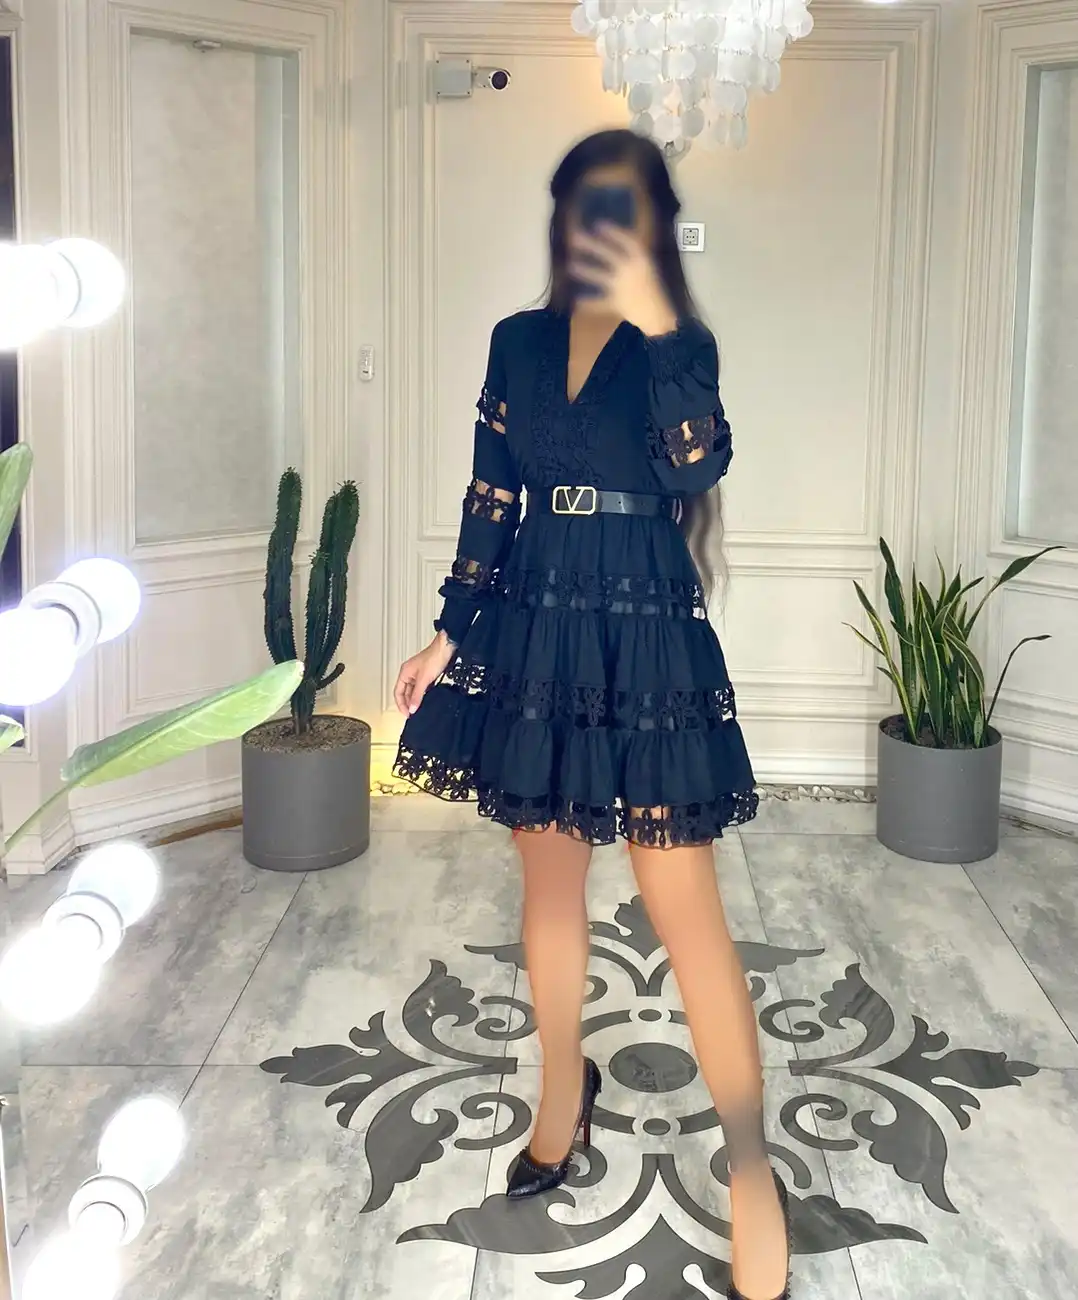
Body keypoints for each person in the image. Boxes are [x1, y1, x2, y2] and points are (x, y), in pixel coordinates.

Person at [392, 128, 790, 1300]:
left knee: (686, 910)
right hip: (536, 620)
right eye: (581, 205)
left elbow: (693, 465)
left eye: (622, 207)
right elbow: (490, 495)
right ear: (560, 217)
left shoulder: (682, 346)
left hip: (644, 628)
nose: (596, 226)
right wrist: (447, 632)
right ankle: (561, 1092)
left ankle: (752, 1172)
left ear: (653, 223)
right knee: (548, 887)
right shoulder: (515, 342)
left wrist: (659, 320)